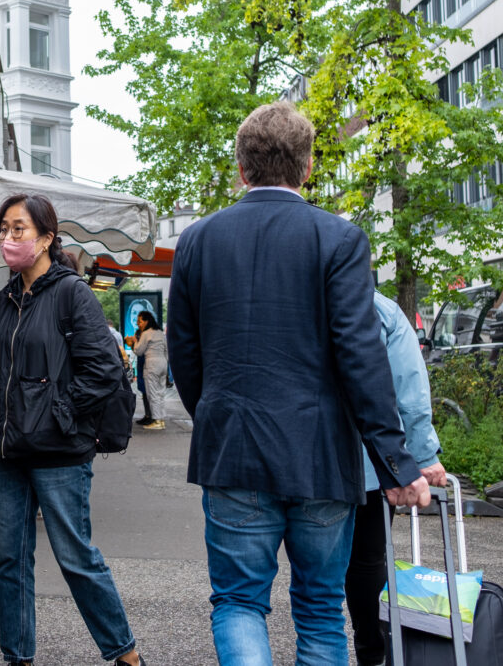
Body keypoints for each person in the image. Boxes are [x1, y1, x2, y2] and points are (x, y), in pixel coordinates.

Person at [166, 101, 430, 666]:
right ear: (307, 168)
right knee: (318, 608)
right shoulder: (339, 239)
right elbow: (362, 359)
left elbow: (185, 356)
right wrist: (397, 463)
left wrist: (216, 411)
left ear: (242, 168)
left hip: (233, 450)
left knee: (238, 602)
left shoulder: (197, 240)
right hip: (321, 458)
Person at [0, 193, 146, 666]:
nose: (8, 238)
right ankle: (17, 657)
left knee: (76, 558)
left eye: (18, 229)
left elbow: (104, 372)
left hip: (60, 451)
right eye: (3, 229)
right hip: (9, 449)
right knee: (9, 563)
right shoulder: (6, 299)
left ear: (45, 238)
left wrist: (57, 411)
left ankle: (125, 654)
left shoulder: (71, 293)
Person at [346, 292, 446, 666]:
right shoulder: (380, 309)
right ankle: (371, 652)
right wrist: (423, 455)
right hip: (370, 463)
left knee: (315, 572)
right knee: (368, 561)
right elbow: (409, 387)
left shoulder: (293, 298)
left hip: (306, 463)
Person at [126, 311, 168, 430]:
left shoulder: (146, 334)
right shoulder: (160, 333)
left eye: (140, 321)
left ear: (146, 321)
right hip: (163, 363)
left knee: (152, 393)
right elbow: (167, 350)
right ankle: (161, 419)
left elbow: (139, 351)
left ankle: (156, 420)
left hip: (151, 364)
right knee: (160, 392)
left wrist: (134, 342)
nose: (138, 324)